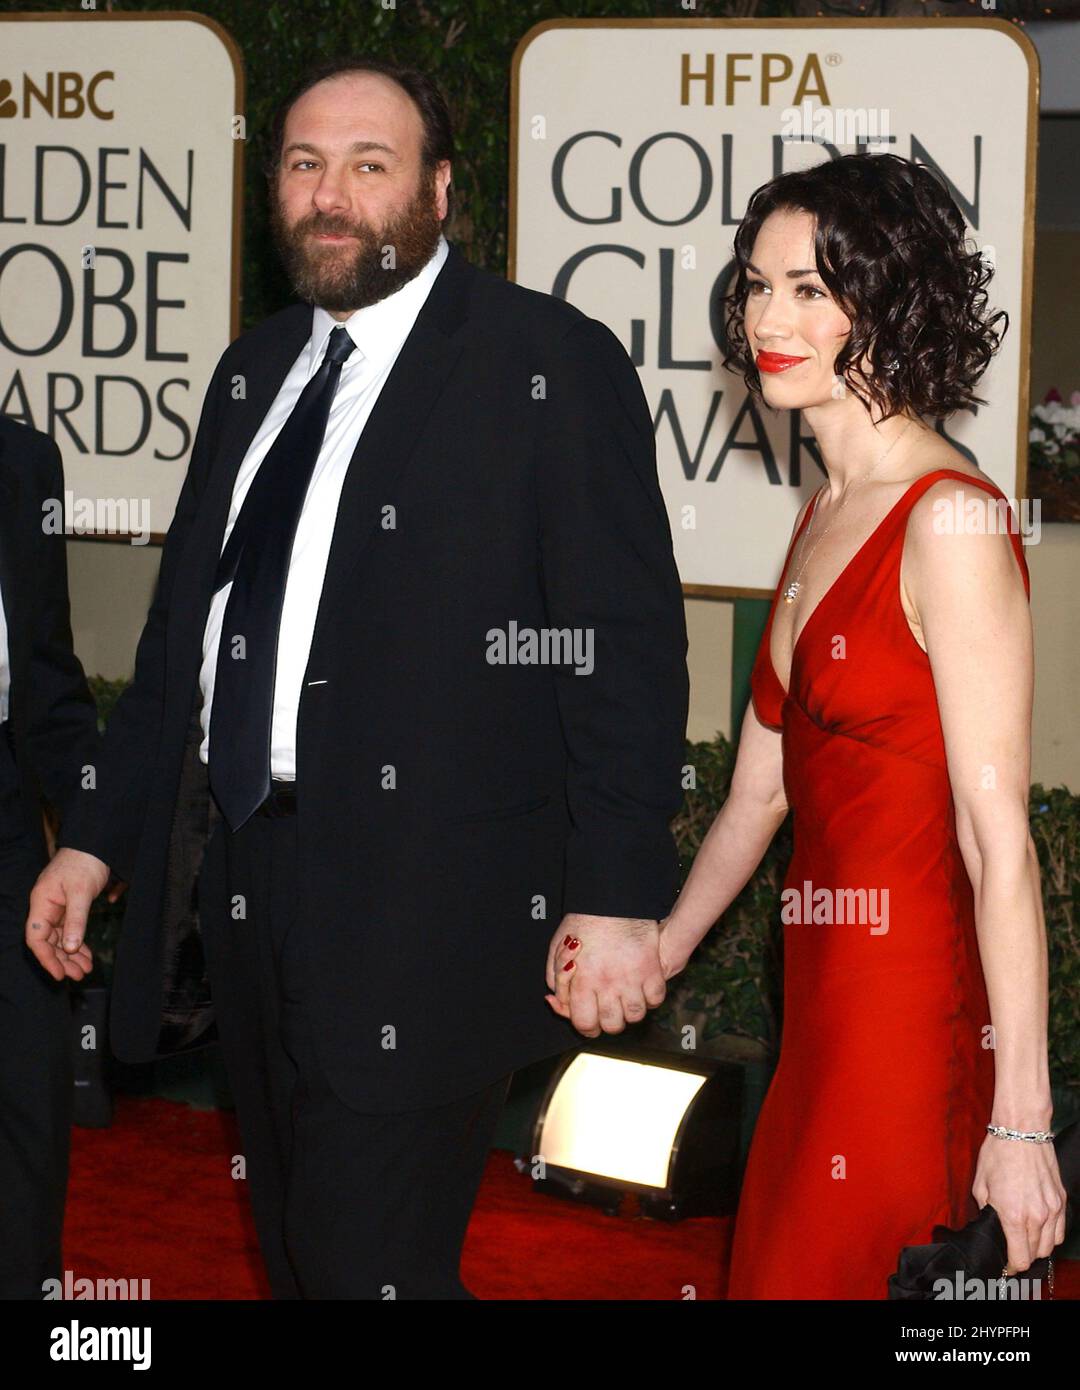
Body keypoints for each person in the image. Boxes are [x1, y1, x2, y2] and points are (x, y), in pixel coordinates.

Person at [24, 56, 689, 1299]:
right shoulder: (252, 372)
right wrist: (96, 841)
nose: (330, 194)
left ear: (439, 189)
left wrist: (614, 894)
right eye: (303, 163)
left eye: (369, 165)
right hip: (250, 885)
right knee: (297, 1250)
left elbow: (619, 650)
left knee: (361, 1258)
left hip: (430, 908)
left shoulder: (544, 363)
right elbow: (182, 647)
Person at [551, 152, 1066, 1298]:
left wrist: (1023, 1124)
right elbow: (760, 794)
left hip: (907, 1021)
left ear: (888, 302)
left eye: (809, 289)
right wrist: (662, 947)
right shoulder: (825, 510)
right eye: (755, 284)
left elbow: (1000, 842)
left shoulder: (952, 525)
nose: (766, 318)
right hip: (820, 1011)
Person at [0, 416, 101, 1298]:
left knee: (28, 1096)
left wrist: (91, 835)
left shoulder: (23, 461)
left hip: (2, 815)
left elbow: (46, 670)